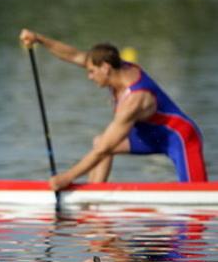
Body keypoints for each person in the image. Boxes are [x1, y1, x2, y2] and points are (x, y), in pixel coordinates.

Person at [19, 29, 208, 190]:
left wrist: (66, 178)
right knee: (100, 141)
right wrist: (38, 39)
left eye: (92, 71)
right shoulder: (115, 67)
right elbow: (74, 55)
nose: (89, 76)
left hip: (180, 139)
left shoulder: (134, 100)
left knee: (198, 198)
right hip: (150, 136)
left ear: (105, 68)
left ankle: (88, 194)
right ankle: (93, 198)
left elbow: (104, 149)